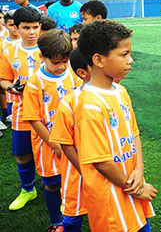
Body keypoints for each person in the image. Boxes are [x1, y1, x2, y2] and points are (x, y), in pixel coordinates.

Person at [76, 20, 156, 231]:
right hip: (111, 198)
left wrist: (139, 170)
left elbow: (134, 135)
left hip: (131, 185)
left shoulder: (120, 91)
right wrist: (136, 189)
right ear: (99, 60)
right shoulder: (90, 105)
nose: (130, 60)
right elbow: (101, 162)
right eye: (124, 55)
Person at [23, 29, 81, 231]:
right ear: (42, 57)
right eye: (55, 63)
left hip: (73, 142)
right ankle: (56, 221)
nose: (60, 67)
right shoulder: (34, 82)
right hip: (49, 145)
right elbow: (32, 118)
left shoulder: (73, 75)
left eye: (64, 62)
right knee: (53, 182)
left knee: (74, 179)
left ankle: (77, 211)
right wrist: (54, 143)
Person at [0, 7, 43, 211]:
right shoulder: (8, 50)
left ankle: (63, 190)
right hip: (22, 111)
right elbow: (3, 79)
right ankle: (28, 189)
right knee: (23, 154)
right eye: (27, 28)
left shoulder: (48, 46)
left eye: (35, 27)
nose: (32, 32)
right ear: (16, 28)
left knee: (58, 151)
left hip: (50, 111)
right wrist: (11, 87)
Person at [49, 48, 90, 231]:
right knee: (73, 214)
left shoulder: (119, 93)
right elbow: (65, 143)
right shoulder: (70, 102)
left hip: (110, 169)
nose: (129, 62)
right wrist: (84, 170)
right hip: (76, 171)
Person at [1, 10, 21, 124]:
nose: (14, 28)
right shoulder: (2, 44)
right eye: (11, 25)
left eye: (16, 24)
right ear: (5, 25)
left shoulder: (28, 42)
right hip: (10, 89)